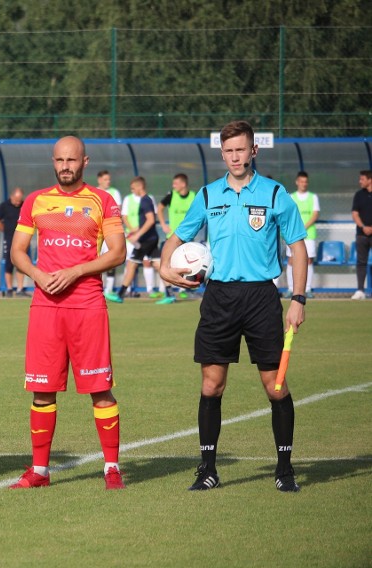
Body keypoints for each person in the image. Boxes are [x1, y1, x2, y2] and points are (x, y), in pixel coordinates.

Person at [159, 120, 307, 492]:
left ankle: (284, 469)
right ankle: (208, 469)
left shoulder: (275, 194)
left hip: (261, 297)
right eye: (229, 151)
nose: (235, 156)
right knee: (212, 385)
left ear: (253, 151)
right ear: (222, 153)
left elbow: (298, 247)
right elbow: (177, 237)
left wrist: (298, 298)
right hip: (219, 298)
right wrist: (164, 266)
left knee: (275, 387)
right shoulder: (208, 196)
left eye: (241, 149)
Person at [8, 135, 127, 490]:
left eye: (71, 160)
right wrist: (39, 275)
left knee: (100, 389)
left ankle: (111, 468)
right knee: (42, 391)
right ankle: (40, 471)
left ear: (84, 162)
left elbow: (117, 252)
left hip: (88, 305)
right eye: (59, 160)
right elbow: (17, 251)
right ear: (53, 161)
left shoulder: (102, 201)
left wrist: (75, 272)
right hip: (45, 307)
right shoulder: (36, 201)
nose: (65, 167)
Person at [105, 176, 159, 303]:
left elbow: (151, 220)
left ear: (140, 187)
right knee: (158, 264)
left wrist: (138, 234)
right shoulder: (147, 200)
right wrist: (135, 230)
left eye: (133, 188)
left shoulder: (145, 201)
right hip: (151, 238)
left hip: (145, 240)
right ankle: (170, 294)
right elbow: (147, 220)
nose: (132, 191)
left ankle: (120, 294)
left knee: (131, 264)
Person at [154, 173, 196, 304]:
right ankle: (169, 293)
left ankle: (184, 291)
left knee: (187, 266)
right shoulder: (171, 195)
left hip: (188, 238)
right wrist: (163, 225)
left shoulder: (194, 196)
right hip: (172, 238)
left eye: (176, 183)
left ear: (183, 184)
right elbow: (159, 209)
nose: (173, 186)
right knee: (161, 264)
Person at [284, 171, 319, 298]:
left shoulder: (313, 197)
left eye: (306, 182)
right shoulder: (291, 197)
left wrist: (303, 228)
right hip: (293, 235)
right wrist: (296, 230)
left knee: (308, 261)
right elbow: (287, 215)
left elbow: (315, 214)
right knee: (291, 260)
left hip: (309, 234)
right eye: (301, 181)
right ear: (297, 182)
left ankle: (307, 289)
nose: (304, 184)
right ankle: (291, 288)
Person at [0, 187, 28, 296]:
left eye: (19, 200)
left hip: (22, 239)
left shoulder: (24, 205)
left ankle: (20, 289)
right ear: (12, 197)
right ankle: (9, 289)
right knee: (9, 263)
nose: (18, 203)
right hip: (9, 239)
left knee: (21, 263)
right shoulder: (4, 206)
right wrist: (5, 229)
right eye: (16, 200)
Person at [97, 170, 123, 294]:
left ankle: (109, 289)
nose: (108, 181)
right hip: (96, 233)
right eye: (106, 179)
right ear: (99, 180)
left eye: (109, 179)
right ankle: (97, 288)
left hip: (109, 231)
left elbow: (117, 211)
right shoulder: (94, 192)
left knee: (110, 260)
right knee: (96, 260)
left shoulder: (114, 193)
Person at [350, 170, 372, 300]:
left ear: (370, 180)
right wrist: (364, 227)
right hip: (361, 235)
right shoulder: (358, 195)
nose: (360, 181)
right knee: (361, 262)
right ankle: (360, 290)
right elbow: (355, 213)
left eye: (362, 179)